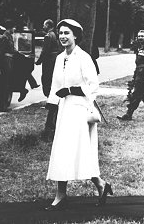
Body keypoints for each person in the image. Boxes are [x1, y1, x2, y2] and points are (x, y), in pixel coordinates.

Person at [45, 19, 113, 210]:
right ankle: (61, 193)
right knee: (62, 150)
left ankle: (99, 184)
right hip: (64, 109)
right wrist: (52, 105)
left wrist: (72, 90)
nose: (63, 37)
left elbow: (93, 85)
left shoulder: (84, 57)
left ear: (76, 35)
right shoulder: (59, 58)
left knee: (79, 150)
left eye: (67, 33)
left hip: (79, 109)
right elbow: (55, 85)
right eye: (60, 33)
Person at [117, 30, 144, 121]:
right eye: (139, 36)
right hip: (139, 75)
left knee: (136, 95)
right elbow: (138, 64)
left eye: (142, 36)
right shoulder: (140, 48)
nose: (140, 38)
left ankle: (128, 114)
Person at [36, 19, 62, 141]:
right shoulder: (55, 35)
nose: (43, 26)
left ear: (48, 26)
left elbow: (45, 50)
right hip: (54, 60)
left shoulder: (48, 36)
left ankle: (49, 100)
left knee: (46, 80)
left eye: (44, 24)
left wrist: (39, 60)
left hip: (48, 61)